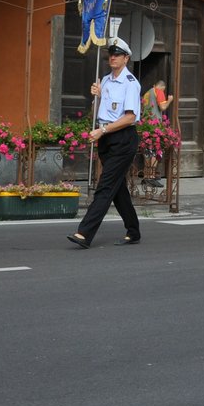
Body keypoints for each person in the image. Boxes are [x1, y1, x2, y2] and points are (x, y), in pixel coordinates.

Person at [67, 38, 143, 249]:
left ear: (126, 58)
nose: (112, 57)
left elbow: (130, 117)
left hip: (123, 138)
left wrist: (102, 130)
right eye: (110, 53)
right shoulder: (106, 81)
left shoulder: (130, 83)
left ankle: (84, 233)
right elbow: (99, 114)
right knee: (117, 188)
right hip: (106, 137)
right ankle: (134, 230)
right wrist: (97, 98)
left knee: (106, 186)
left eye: (117, 54)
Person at [139, 78, 172, 188]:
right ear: (162, 87)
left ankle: (146, 176)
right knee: (156, 150)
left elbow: (142, 108)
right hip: (155, 126)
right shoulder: (159, 91)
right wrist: (170, 100)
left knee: (147, 151)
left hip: (145, 125)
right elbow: (163, 107)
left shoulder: (147, 93)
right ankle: (151, 177)